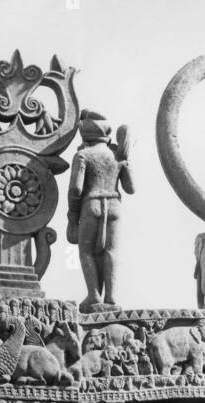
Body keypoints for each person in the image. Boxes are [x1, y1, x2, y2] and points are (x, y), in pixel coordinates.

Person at [66, 112, 133, 310]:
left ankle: (94, 295)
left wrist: (72, 215)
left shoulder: (83, 155)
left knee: (86, 251)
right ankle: (111, 297)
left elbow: (76, 189)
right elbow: (130, 188)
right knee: (111, 252)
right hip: (114, 206)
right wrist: (126, 164)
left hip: (92, 204)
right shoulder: (117, 155)